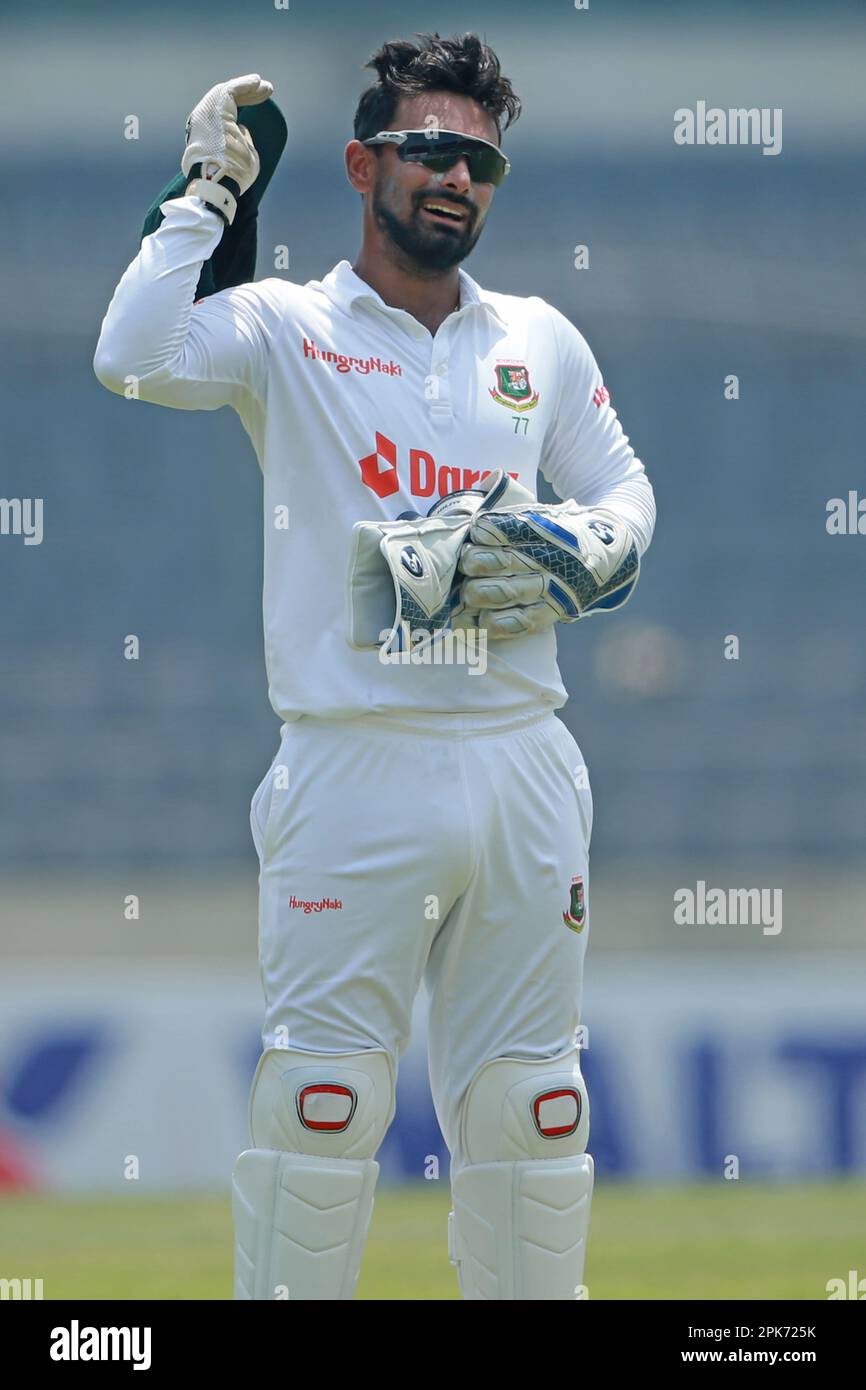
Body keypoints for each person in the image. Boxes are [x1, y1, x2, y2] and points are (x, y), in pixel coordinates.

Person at [94, 31, 655, 1301]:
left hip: (523, 759)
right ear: (361, 164)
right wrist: (205, 194)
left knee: (534, 1110)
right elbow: (129, 356)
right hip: (353, 765)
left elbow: (622, 488)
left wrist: (591, 545)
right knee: (323, 1107)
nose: (456, 176)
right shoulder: (283, 324)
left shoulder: (538, 340)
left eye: (482, 162)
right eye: (430, 151)